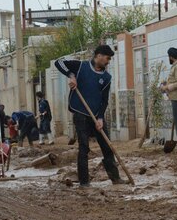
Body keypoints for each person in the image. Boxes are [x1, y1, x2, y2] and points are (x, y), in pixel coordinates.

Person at [54, 45, 126, 187]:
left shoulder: (106, 77)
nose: (108, 61)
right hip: (80, 113)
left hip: (96, 116)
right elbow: (58, 62)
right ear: (99, 55)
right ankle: (84, 182)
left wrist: (100, 118)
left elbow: (104, 100)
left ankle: (116, 178)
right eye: (107, 58)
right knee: (84, 147)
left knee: (107, 147)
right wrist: (71, 75)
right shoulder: (81, 66)